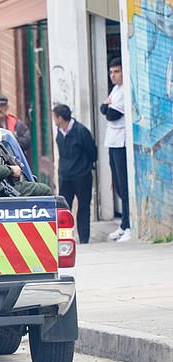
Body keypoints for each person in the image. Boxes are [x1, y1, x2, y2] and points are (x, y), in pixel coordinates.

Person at [53, 104, 97, 244]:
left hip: (82, 176)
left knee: (83, 207)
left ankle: (84, 239)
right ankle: (65, 237)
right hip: (65, 177)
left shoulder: (81, 131)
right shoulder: (59, 133)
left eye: (55, 117)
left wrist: (84, 167)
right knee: (64, 208)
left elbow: (92, 153)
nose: (54, 120)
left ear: (60, 118)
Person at [100, 57, 131, 242]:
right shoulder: (115, 89)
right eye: (111, 72)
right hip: (112, 142)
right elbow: (103, 108)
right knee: (118, 186)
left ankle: (128, 225)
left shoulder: (124, 90)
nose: (113, 75)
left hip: (122, 142)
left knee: (125, 186)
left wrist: (108, 107)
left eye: (116, 71)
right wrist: (107, 107)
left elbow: (111, 114)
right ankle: (123, 224)